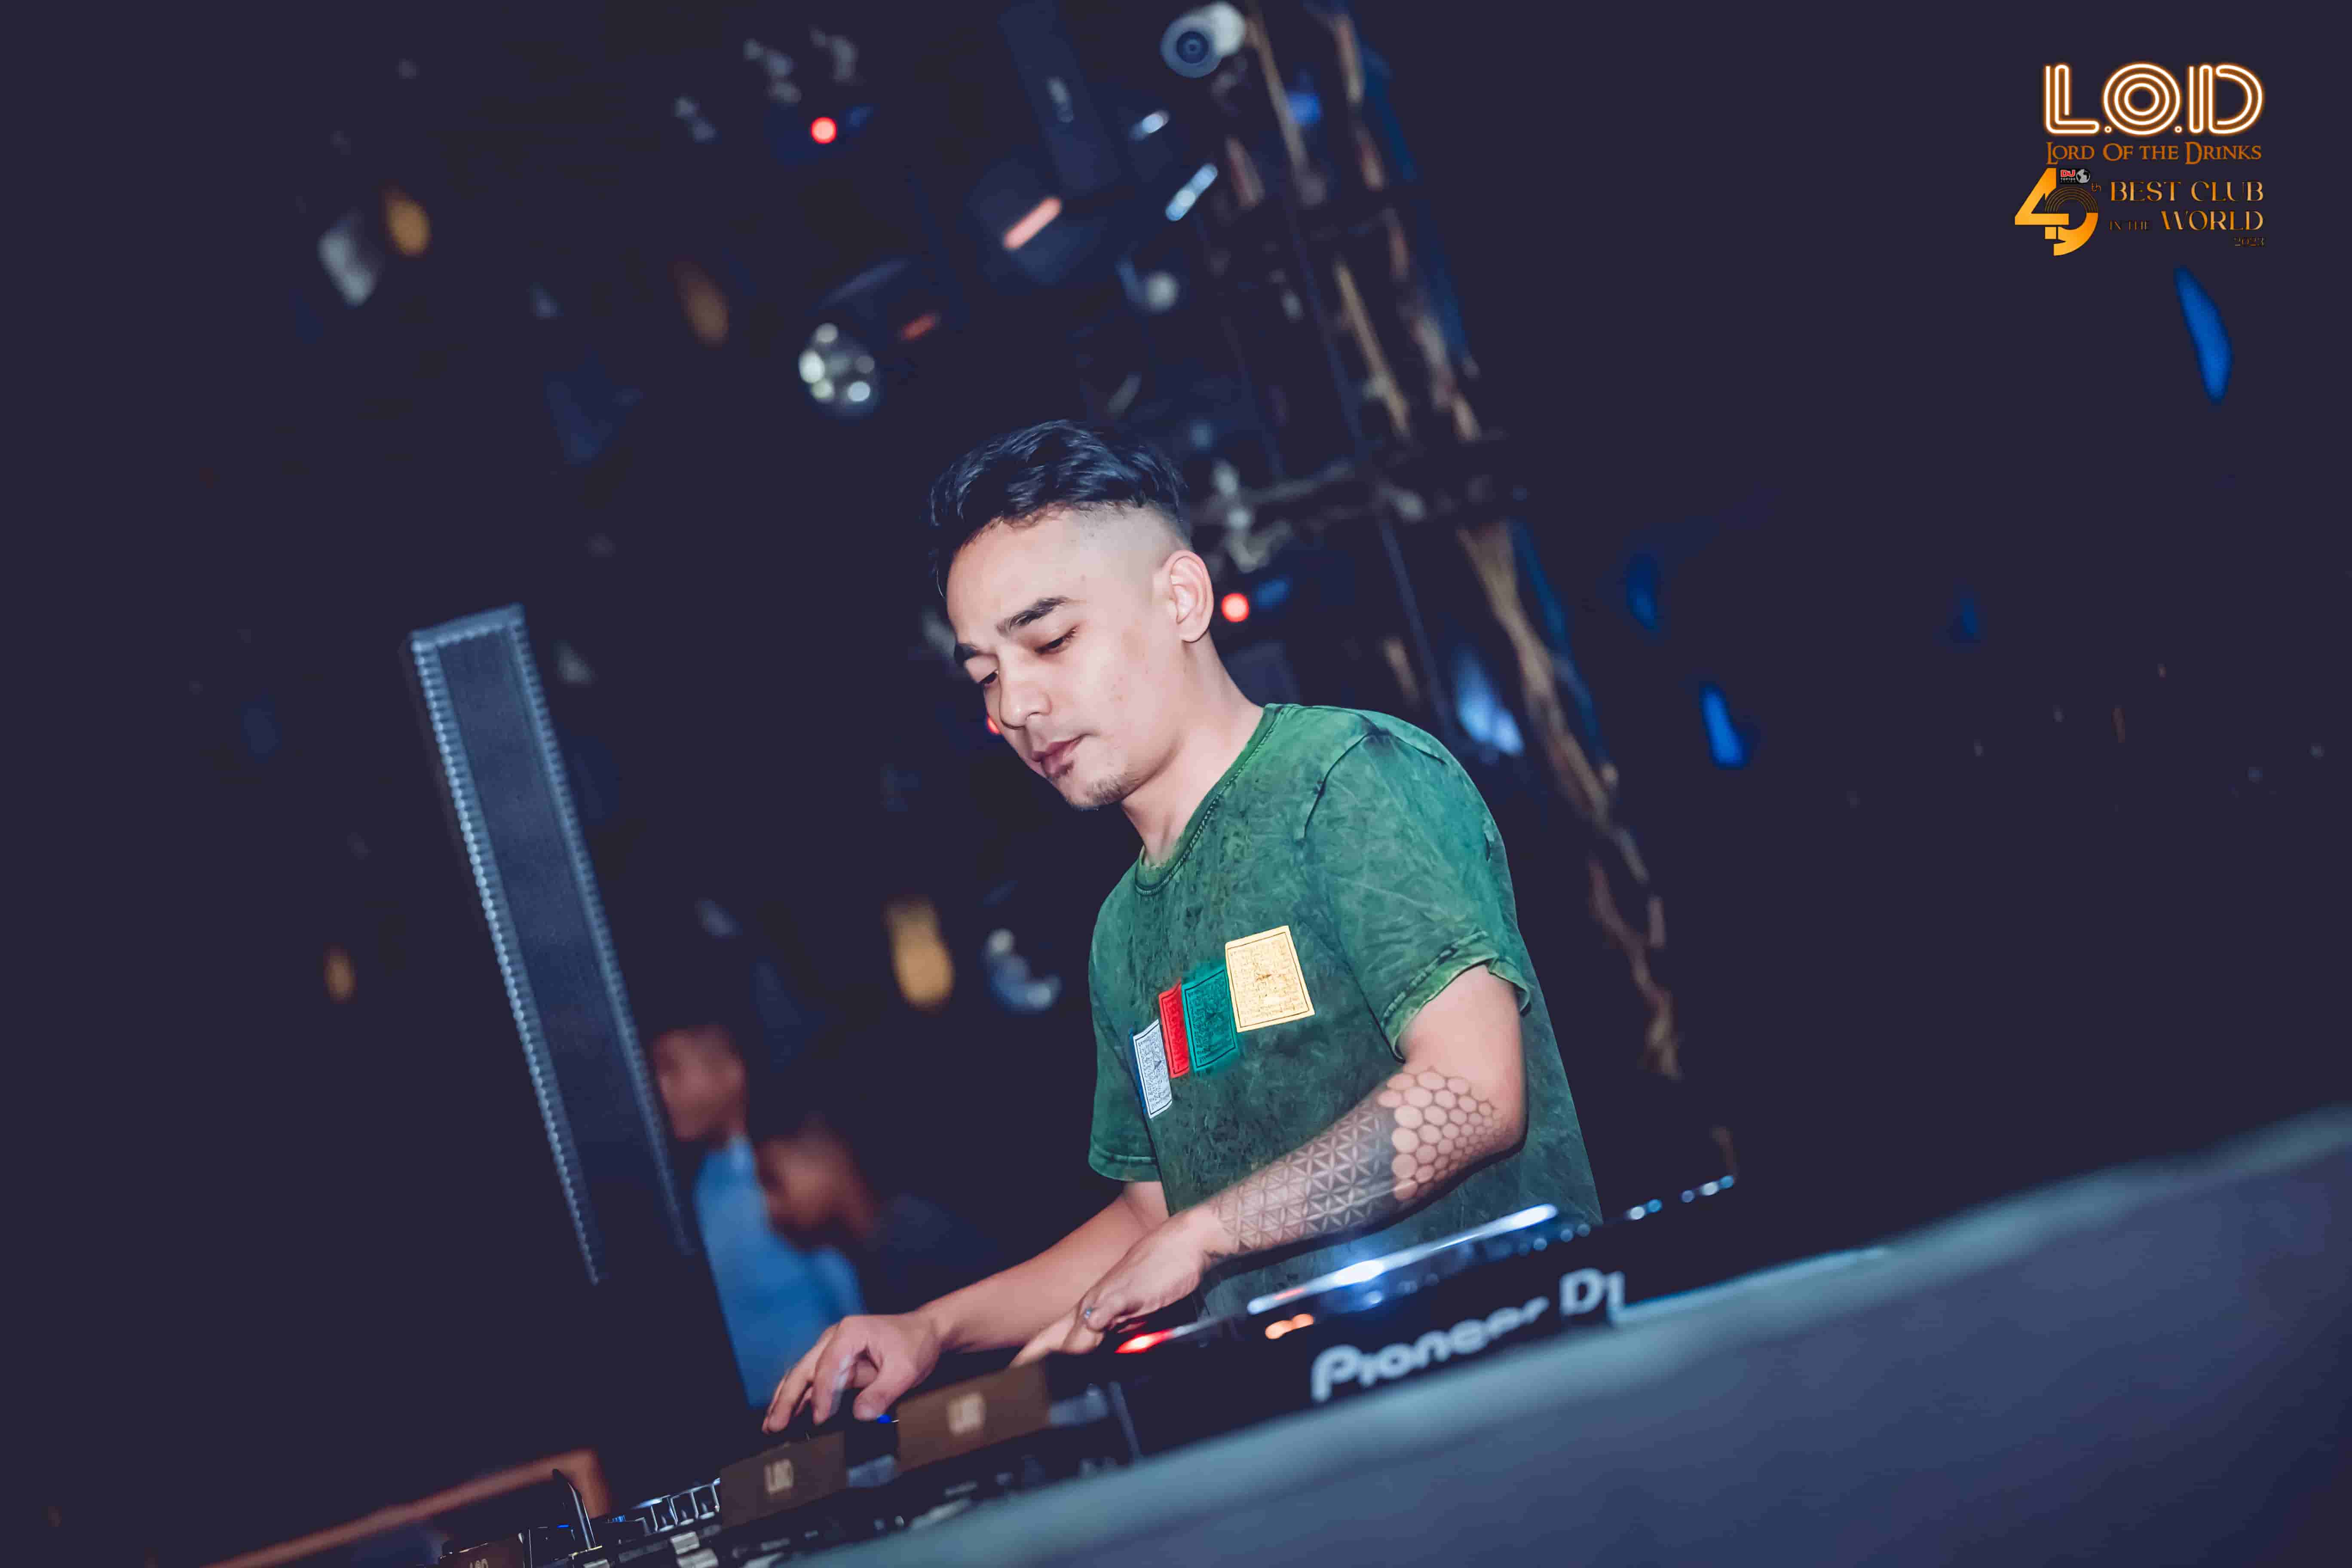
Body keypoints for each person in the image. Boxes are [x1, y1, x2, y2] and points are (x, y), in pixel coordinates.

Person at [763, 421, 1600, 1433]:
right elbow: (1152, 1213)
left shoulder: (1344, 778)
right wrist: (933, 1329)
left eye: (1050, 642)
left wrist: (1206, 1235)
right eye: (985, 674)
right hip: (1306, 1441)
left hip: (1512, 1396)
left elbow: (1471, 1092)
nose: (1016, 704)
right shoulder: (1122, 931)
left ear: (1182, 599)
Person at [644, 1011, 867, 1409]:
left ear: (729, 1073)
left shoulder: (786, 1176)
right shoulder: (688, 1195)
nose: (660, 1088)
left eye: (672, 1068)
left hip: (825, 1406)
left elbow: (848, 1289)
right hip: (752, 1417)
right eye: (655, 1071)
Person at [749, 1051, 1009, 1319]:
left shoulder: (908, 1242)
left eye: (773, 1181)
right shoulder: (879, 1256)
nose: (771, 1212)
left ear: (824, 1150)